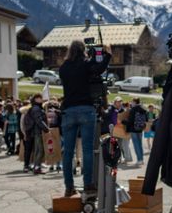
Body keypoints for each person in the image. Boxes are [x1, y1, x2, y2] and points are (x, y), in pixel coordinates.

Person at [58, 40, 111, 197]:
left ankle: (69, 187)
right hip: (86, 109)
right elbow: (99, 69)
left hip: (68, 110)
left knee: (68, 152)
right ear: (83, 51)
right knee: (87, 150)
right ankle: (88, 185)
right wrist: (107, 54)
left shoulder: (63, 68)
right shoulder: (86, 64)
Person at [23, 94, 48, 174]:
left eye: (41, 97)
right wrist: (46, 129)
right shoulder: (36, 108)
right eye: (38, 98)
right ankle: (37, 167)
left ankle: (36, 167)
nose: (41, 99)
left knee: (38, 150)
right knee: (40, 150)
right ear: (35, 99)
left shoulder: (36, 108)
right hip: (37, 132)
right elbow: (39, 120)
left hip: (37, 131)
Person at [123, 97, 147, 165]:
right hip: (140, 128)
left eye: (132, 102)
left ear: (135, 102)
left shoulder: (133, 109)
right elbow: (146, 119)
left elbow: (130, 121)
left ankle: (139, 160)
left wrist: (123, 121)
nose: (131, 103)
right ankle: (141, 159)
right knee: (140, 144)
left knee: (136, 145)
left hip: (133, 129)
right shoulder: (143, 109)